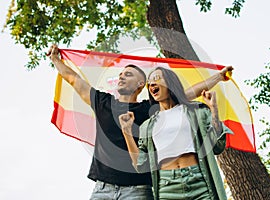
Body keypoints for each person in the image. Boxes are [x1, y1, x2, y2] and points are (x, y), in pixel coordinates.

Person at [47, 44, 233, 200]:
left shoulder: (149, 111)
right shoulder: (103, 102)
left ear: (140, 85)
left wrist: (218, 76)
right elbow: (74, 79)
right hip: (102, 189)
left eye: (128, 75)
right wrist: (56, 60)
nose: (121, 76)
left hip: (138, 190)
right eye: (121, 74)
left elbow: (187, 93)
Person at [119, 67, 233, 200]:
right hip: (167, 187)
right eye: (149, 83)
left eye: (156, 79)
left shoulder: (195, 112)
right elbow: (141, 165)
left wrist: (214, 109)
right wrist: (126, 131)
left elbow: (218, 147)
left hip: (199, 181)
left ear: (170, 83)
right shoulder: (148, 126)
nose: (152, 85)